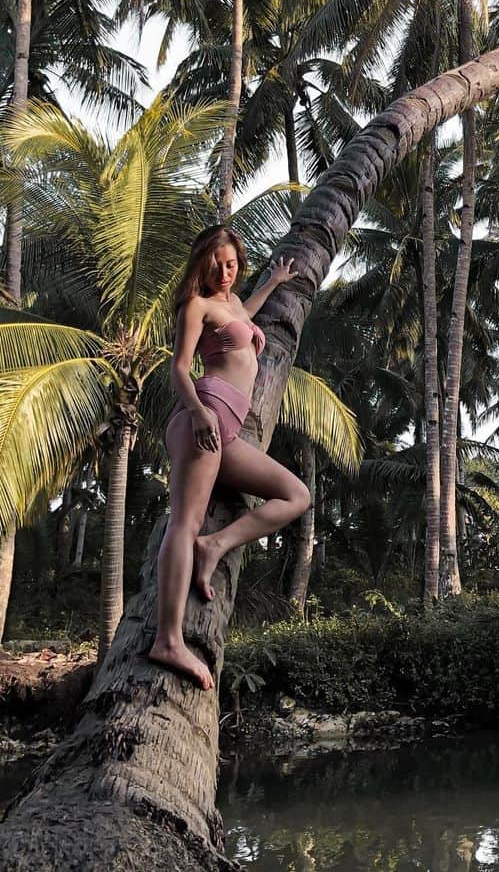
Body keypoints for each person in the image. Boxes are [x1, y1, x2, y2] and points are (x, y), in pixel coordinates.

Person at [148, 225, 309, 690]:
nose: (224, 271)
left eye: (232, 264)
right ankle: (168, 639)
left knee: (295, 495)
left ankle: (215, 546)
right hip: (206, 416)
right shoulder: (195, 306)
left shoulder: (233, 303)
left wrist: (273, 283)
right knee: (184, 522)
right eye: (217, 263)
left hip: (229, 431)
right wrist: (198, 414)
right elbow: (179, 368)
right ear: (203, 263)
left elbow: (245, 314)